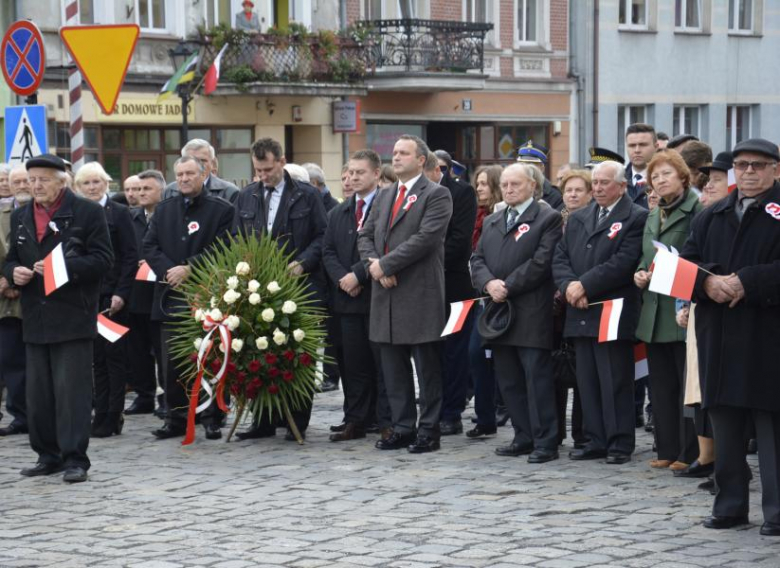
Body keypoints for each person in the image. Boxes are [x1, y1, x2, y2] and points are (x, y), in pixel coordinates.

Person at [680, 138, 780, 535]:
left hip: (767, 334)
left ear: (775, 169)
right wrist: (706, 283)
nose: (750, 172)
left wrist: (748, 282)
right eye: (742, 165)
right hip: (718, 334)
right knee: (725, 423)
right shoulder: (712, 214)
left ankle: (776, 511)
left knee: (771, 428)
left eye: (758, 165)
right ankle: (730, 503)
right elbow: (685, 262)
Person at [3, 154, 113, 483]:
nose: (35, 186)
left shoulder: (87, 212)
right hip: (34, 317)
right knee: (38, 395)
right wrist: (14, 273)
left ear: (61, 181)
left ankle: (75, 458)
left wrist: (61, 269)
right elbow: (10, 260)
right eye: (31, 179)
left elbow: (103, 260)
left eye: (43, 179)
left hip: (72, 315)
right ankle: (46, 455)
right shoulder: (21, 215)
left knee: (72, 394)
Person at [357, 134, 453, 453]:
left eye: (403, 153)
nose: (395, 158)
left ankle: (429, 430)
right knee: (393, 368)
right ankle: (402, 427)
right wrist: (375, 265)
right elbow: (365, 234)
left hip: (418, 292)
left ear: (421, 160)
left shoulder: (436, 195)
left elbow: (425, 239)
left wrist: (384, 265)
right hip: (386, 295)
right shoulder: (384, 195)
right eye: (394, 153)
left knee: (426, 369)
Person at [553, 160, 648, 464]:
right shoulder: (581, 217)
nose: (598, 188)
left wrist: (584, 286)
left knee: (614, 378)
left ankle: (619, 442)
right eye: (595, 182)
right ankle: (594, 438)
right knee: (588, 380)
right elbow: (561, 256)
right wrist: (569, 286)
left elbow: (624, 261)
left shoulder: (636, 217)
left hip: (612, 308)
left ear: (622, 186)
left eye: (605, 182)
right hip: (579, 309)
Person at [234, 137, 328, 441]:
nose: (263, 176)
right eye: (258, 170)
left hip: (299, 284)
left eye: (268, 169)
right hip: (259, 287)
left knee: (299, 352)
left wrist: (303, 262)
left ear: (282, 161)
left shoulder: (306, 195)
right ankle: (262, 419)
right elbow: (237, 238)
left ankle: (296, 421)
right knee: (258, 350)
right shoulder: (247, 196)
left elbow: (323, 237)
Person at [471, 163, 562, 462]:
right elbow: (478, 258)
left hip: (531, 309)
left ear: (532, 186)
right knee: (508, 379)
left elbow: (541, 262)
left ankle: (546, 441)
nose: (509, 189)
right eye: (506, 185)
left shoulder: (547, 218)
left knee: (536, 379)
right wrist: (488, 283)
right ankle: (523, 435)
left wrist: (507, 285)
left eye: (516, 184)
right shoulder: (494, 219)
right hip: (499, 311)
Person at [144, 156, 235, 441]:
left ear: (204, 174)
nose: (183, 179)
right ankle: (177, 417)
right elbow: (149, 245)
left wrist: (191, 268)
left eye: (190, 174)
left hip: (207, 296)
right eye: (179, 174)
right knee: (172, 363)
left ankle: (211, 417)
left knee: (209, 359)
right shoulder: (164, 209)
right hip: (170, 297)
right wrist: (170, 271)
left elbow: (226, 247)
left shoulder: (222, 209)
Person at [634, 150, 701, 470]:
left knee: (683, 386)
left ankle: (689, 452)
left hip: (680, 307)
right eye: (655, 176)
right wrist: (639, 272)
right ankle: (666, 448)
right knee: (660, 386)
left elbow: (697, 257)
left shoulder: (696, 210)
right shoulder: (652, 213)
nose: (659, 181)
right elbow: (645, 255)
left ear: (683, 177)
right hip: (654, 309)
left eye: (666, 175)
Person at [673, 152, 733, 486]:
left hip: (741, 317)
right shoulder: (706, 218)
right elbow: (687, 262)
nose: (708, 185)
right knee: (704, 390)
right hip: (703, 310)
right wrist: (689, 297)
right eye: (708, 179)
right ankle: (713, 460)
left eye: (718, 179)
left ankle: (727, 463)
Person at [322, 149, 391, 441]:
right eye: (350, 172)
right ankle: (356, 419)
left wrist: (358, 275)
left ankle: (387, 420)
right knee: (353, 364)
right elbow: (327, 250)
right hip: (347, 300)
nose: (352, 178)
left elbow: (385, 248)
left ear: (376, 174)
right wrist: (343, 278)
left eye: (359, 172)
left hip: (378, 298)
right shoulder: (339, 212)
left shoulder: (388, 208)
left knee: (383, 365)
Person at [74, 163, 138, 438]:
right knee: (95, 359)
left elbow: (129, 256)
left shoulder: (120, 212)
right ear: (79, 187)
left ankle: (113, 415)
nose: (91, 187)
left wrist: (121, 293)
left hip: (112, 297)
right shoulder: (77, 214)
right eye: (86, 183)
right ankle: (99, 414)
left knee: (114, 358)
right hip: (87, 296)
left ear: (106, 184)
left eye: (96, 182)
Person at [430, 150, 477, 436]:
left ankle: (452, 411)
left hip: (455, 286)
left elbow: (459, 242)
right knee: (429, 351)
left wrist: (421, 262)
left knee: (455, 351)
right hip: (423, 288)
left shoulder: (461, 193)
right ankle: (433, 407)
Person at [554, 170, 593, 448]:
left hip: (583, 300)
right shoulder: (554, 221)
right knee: (555, 369)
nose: (573, 195)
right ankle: (555, 432)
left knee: (583, 374)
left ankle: (582, 431)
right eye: (568, 190)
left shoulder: (593, 221)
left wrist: (576, 287)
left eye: (579, 190)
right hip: (555, 305)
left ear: (590, 194)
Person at [466, 165, 503, 438]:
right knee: (476, 355)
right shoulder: (474, 215)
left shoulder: (500, 214)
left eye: (484, 184)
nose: (479, 188)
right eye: (477, 183)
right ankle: (485, 416)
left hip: (500, 293)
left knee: (499, 359)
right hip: (477, 294)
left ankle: (503, 408)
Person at [125, 170, 166, 417]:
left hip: (160, 292)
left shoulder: (168, 216)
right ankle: (144, 395)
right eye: (138, 189)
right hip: (135, 293)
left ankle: (166, 396)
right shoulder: (131, 217)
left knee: (161, 350)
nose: (140, 194)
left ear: (161, 190)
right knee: (137, 350)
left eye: (146, 189)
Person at [0, 166, 31, 436]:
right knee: (11, 362)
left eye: (25, 181)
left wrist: (14, 279)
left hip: (35, 298)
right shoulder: (5, 214)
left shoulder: (40, 214)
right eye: (16, 181)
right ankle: (19, 414)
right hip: (5, 304)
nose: (21, 185)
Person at [163, 139, 240, 203]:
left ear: (212, 163)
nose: (198, 165)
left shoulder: (230, 192)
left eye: (203, 160)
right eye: (192, 160)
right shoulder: (170, 191)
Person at [516, 140, 564, 211]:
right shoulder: (511, 189)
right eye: (523, 164)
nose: (528, 168)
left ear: (542, 168)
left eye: (533, 165)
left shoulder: (554, 195)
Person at [624, 123, 656, 209]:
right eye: (632, 145)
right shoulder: (618, 179)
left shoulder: (664, 180)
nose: (637, 150)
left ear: (656, 147)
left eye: (643, 145)